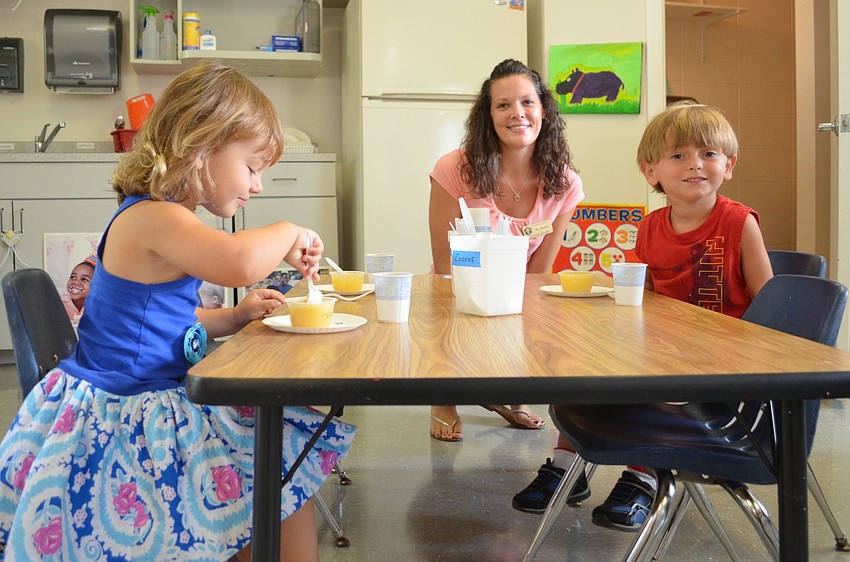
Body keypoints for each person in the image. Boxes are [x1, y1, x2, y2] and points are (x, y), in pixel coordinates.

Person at [0, 62, 354, 562]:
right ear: (201, 147)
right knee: (275, 447)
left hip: (147, 391)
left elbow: (163, 319)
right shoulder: (153, 217)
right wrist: (291, 231)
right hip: (127, 410)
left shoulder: (163, 215)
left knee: (275, 451)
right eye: (252, 167)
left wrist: (233, 318)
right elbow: (238, 261)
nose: (257, 186)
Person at [513, 101, 773, 532]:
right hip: (665, 350)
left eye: (708, 153)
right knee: (581, 371)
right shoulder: (650, 227)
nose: (695, 164)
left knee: (646, 382)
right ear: (651, 171)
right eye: (679, 155)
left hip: (721, 368)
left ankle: (642, 477)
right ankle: (566, 467)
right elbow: (644, 296)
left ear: (729, 165)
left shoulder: (739, 222)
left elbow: (770, 304)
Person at [428, 59, 585, 442]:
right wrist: (484, 291)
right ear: (489, 115)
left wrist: (507, 308)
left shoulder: (564, 182)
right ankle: (442, 396)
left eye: (527, 102)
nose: (518, 113)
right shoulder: (454, 169)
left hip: (518, 289)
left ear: (543, 110)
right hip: (458, 288)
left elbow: (540, 270)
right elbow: (446, 263)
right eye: (503, 105)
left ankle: (508, 392)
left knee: (545, 315)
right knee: (447, 299)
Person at [60, 255, 96, 325]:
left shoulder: (98, 307)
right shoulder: (57, 303)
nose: (75, 281)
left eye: (84, 279)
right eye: (73, 277)